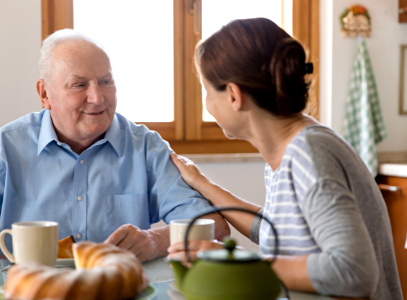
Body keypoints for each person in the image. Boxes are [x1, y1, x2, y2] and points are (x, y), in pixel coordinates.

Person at [167, 18, 402, 300]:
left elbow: (354, 271)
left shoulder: (309, 155)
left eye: (207, 91)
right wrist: (201, 182)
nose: (206, 103)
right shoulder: (291, 151)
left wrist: (235, 264)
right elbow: (272, 230)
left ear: (233, 95)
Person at [0, 29, 229, 269]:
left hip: (118, 291)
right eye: (79, 85)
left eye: (106, 81)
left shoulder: (145, 147)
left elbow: (214, 228)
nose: (98, 97)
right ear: (44, 95)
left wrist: (155, 240)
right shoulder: (6, 147)